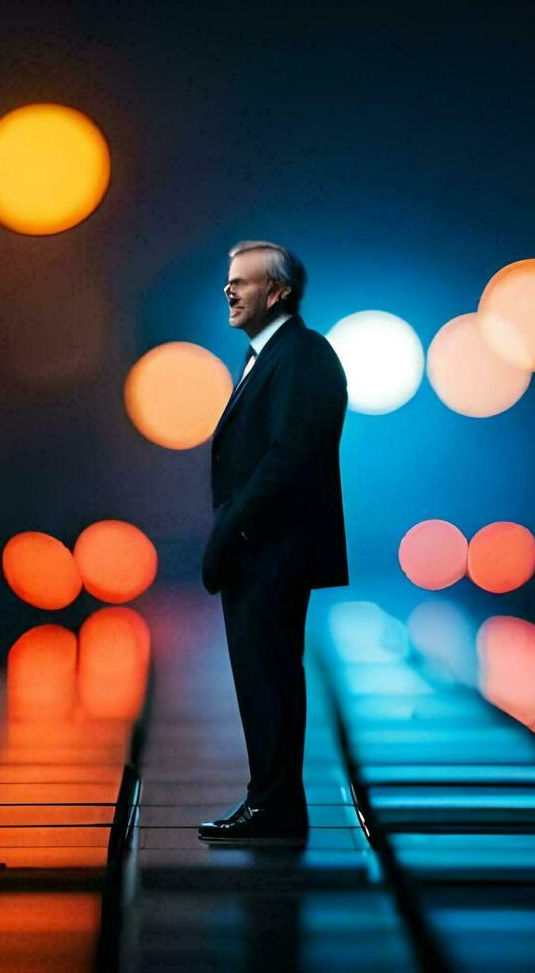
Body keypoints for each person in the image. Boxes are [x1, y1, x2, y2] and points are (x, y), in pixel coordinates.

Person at [198, 240, 349, 844]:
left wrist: (233, 527)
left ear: (279, 291)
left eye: (244, 281)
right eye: (228, 281)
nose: (229, 291)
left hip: (271, 548)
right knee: (262, 677)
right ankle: (271, 801)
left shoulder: (302, 355)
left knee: (270, 678)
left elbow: (291, 454)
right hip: (262, 547)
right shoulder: (271, 355)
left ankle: (274, 806)